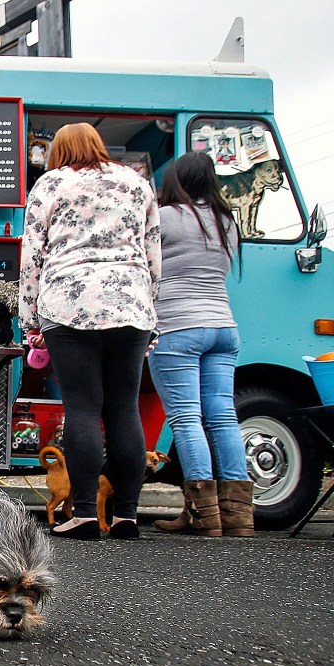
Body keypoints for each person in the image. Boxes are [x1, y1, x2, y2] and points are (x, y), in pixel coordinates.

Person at [19, 122, 161, 541]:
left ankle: (82, 513)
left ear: (58, 150)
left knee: (82, 407)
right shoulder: (136, 183)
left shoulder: (51, 183)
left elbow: (32, 255)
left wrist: (30, 321)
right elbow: (153, 253)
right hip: (131, 303)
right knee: (123, 407)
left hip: (69, 304)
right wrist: (150, 310)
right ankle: (126, 516)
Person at [148, 152, 253, 537]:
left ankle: (202, 515)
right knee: (223, 416)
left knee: (187, 418)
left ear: (175, 180)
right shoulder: (227, 222)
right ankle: (239, 516)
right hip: (224, 327)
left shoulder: (166, 217)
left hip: (178, 326)